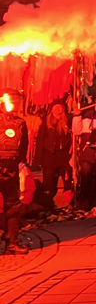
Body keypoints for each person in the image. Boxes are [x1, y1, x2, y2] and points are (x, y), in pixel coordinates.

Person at [0, 92, 28, 254]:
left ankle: (12, 241)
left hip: (11, 171)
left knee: (14, 207)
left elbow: (23, 146)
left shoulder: (20, 123)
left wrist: (19, 165)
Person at [36, 102, 73, 205]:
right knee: (49, 183)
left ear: (63, 109)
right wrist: (38, 158)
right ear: (51, 109)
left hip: (64, 157)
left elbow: (76, 121)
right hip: (49, 157)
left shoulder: (68, 120)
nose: (57, 109)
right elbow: (40, 139)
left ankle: (69, 204)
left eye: (59, 107)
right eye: (55, 107)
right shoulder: (46, 122)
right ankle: (47, 205)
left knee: (67, 182)